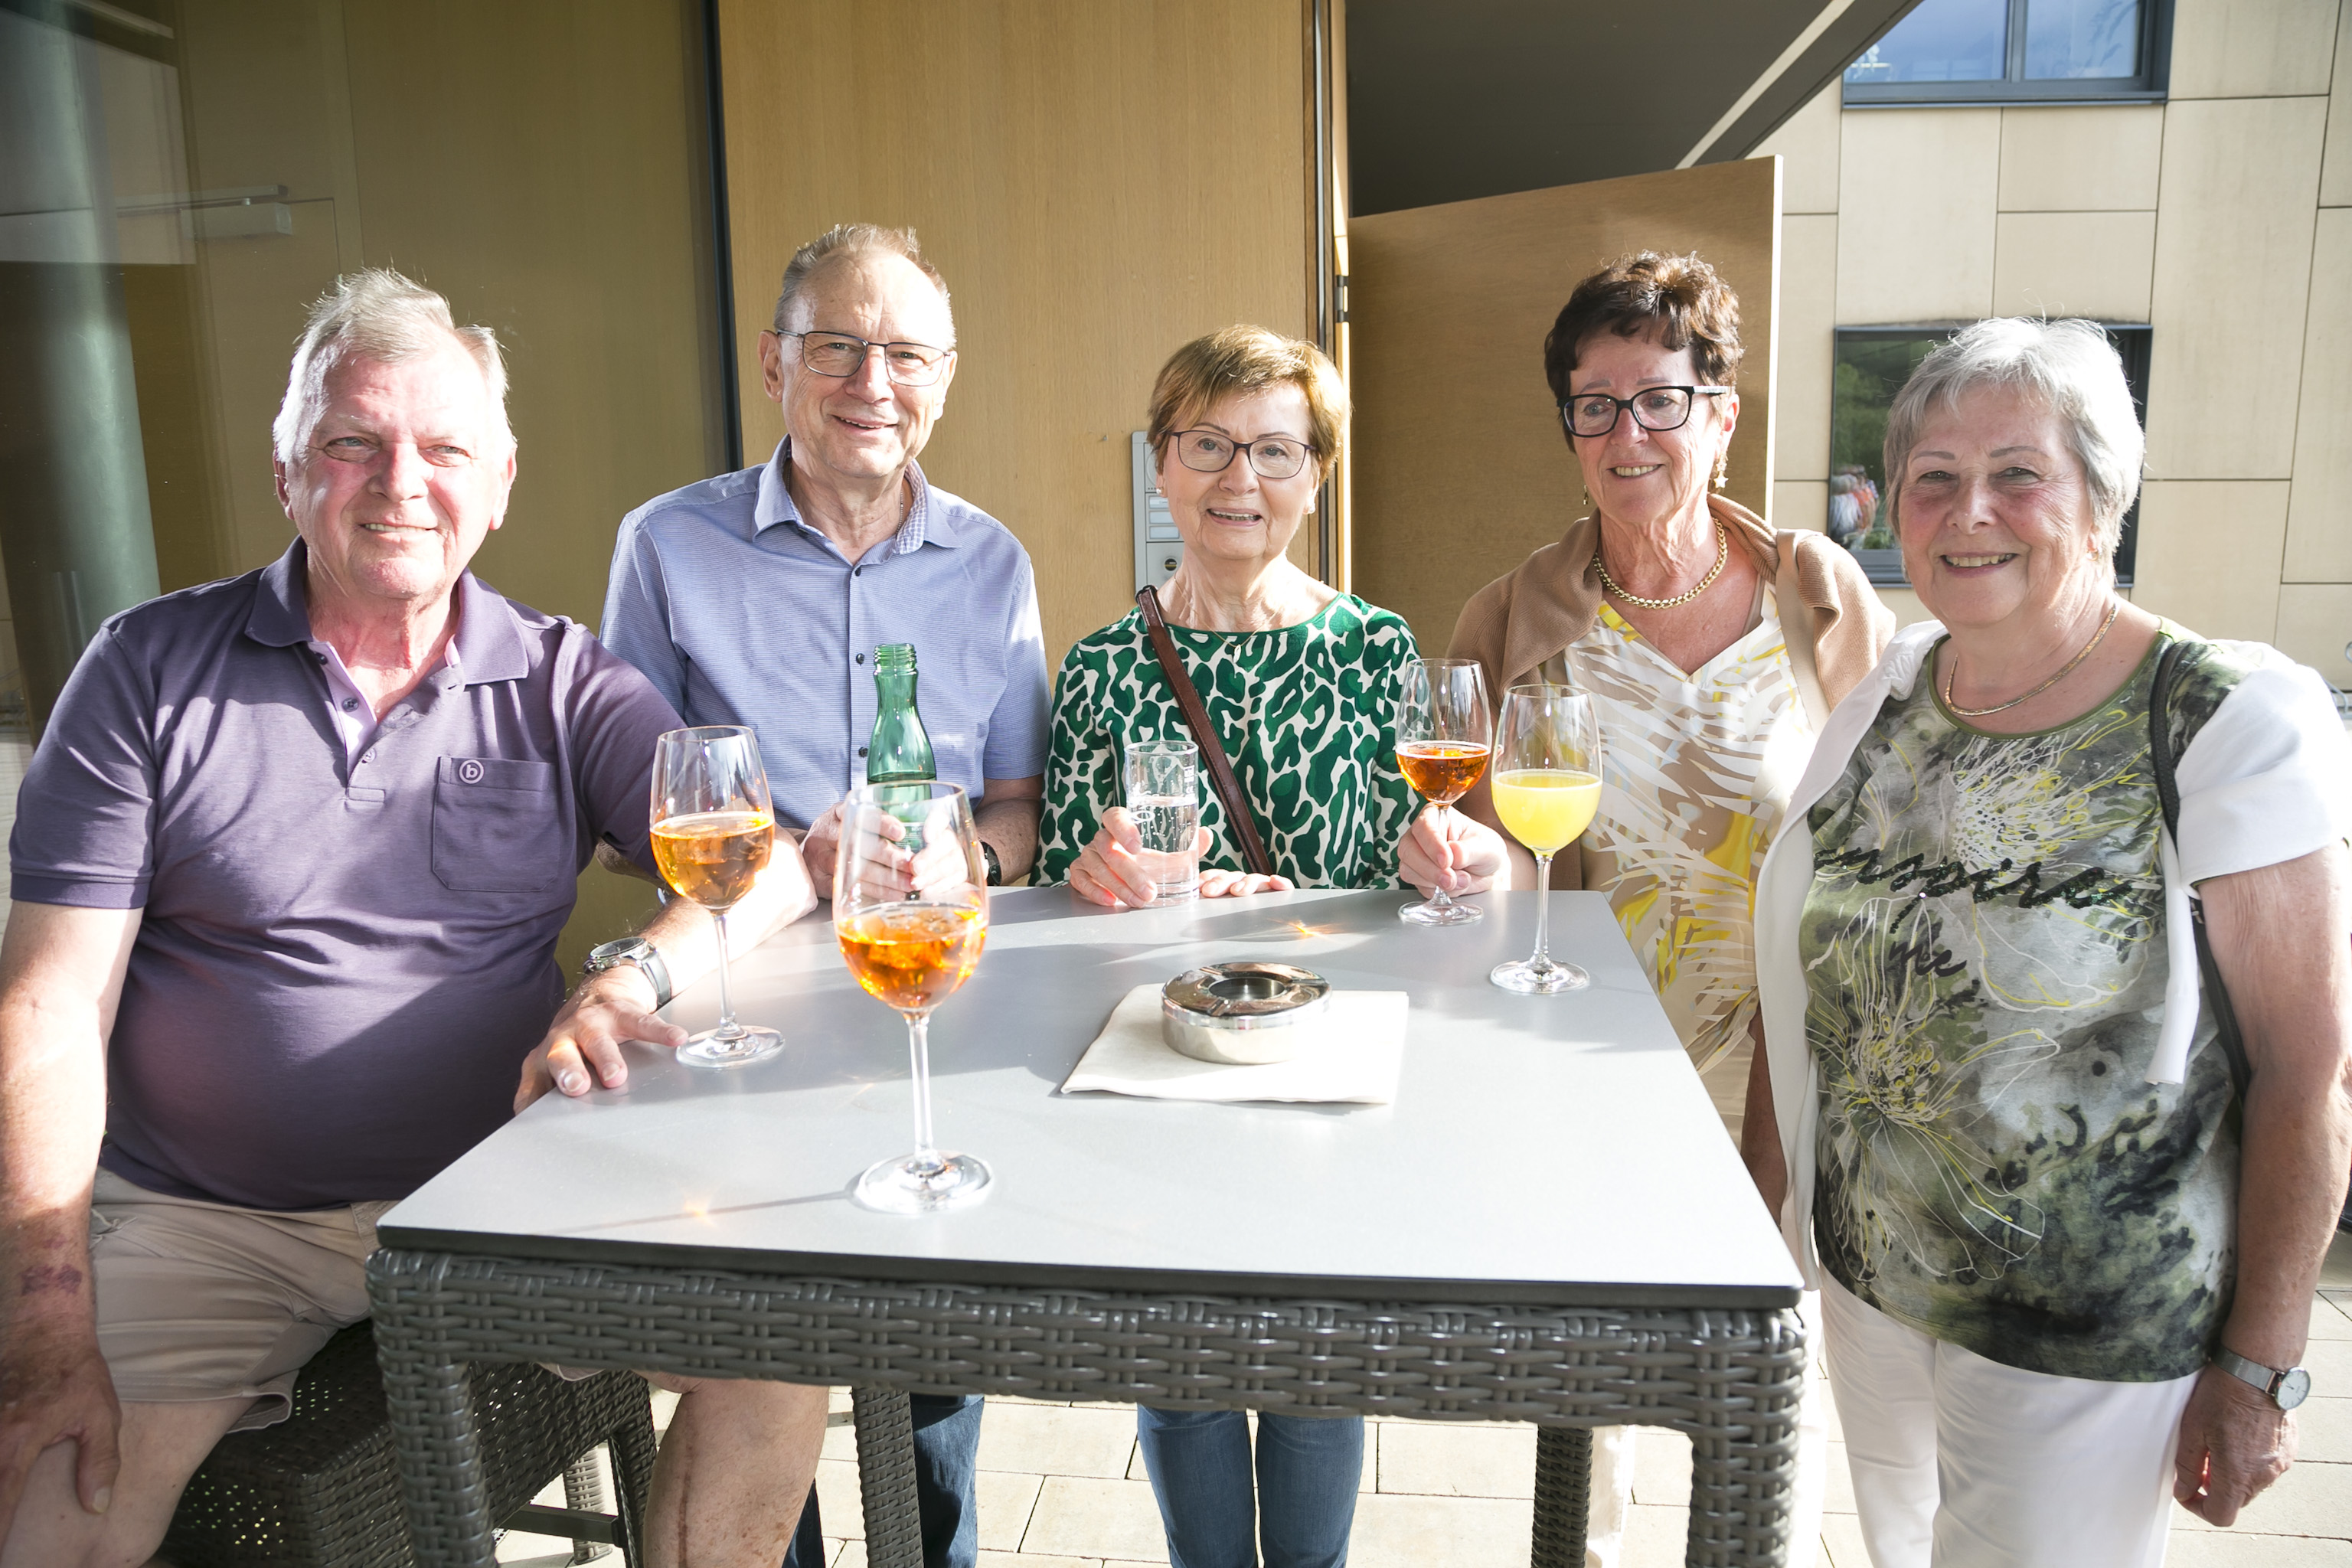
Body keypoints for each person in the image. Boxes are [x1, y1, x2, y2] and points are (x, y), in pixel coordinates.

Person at [0, 270, 827, 1568]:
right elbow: (51, 1005)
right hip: (205, 1223)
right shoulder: (146, 671)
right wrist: (44, 1312)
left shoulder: (559, 680)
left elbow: (766, 865)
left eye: (444, 449)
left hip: (499, 1188)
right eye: (353, 442)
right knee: (51, 1495)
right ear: (287, 473)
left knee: (778, 1353)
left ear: (499, 486)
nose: (400, 483)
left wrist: (622, 981)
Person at [1743, 317, 2352, 1566]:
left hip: (2086, 1328)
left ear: (2103, 501)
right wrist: (1770, 1222)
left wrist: (2263, 1365)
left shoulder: (2223, 717)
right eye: (1933, 478)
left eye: (2018, 474)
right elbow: (1802, 978)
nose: (1970, 511)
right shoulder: (1890, 693)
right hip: (1871, 1284)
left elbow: (2311, 1071)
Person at [1400, 250, 1891, 1566]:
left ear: (1720, 415)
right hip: (1595, 1076)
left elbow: (1882, 835)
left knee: (1771, 1394)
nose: (1628, 433)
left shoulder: (1817, 599)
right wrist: (1458, 860)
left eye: (1661, 399)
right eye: (1595, 404)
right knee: (1597, 1404)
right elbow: (1503, 864)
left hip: (1783, 1074)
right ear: (1569, 429)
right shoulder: (1513, 614)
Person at [599, 222, 1047, 1568]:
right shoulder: (667, 546)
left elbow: (1018, 808)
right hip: (752, 1002)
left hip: (933, 993)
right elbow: (634, 818)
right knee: (768, 1330)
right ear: (775, 361)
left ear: (946, 378)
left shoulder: (994, 562)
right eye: (838, 346)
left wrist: (974, 860)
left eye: (906, 354)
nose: (872, 381)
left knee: (934, 1358)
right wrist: (794, 858)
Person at [1039, 325, 1416, 1563]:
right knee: (1182, 1366)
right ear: (1162, 464)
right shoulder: (1102, 668)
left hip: (1322, 1063)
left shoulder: (1374, 652)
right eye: (1207, 445)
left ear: (1318, 475)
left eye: (1274, 450)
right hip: (1162, 1059)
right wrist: (1092, 875)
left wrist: (1434, 869)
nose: (1239, 478)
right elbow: (1053, 893)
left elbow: (1417, 886)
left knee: (1315, 1367)